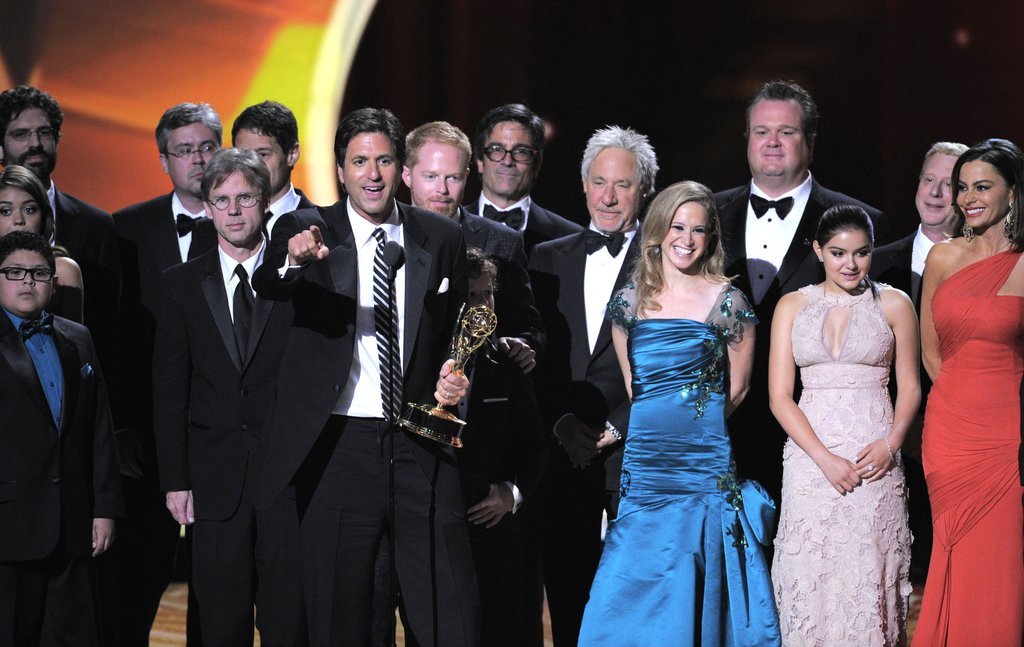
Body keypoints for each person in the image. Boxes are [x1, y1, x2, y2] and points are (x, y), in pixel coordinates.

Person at [251, 107, 477, 646]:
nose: (372, 174)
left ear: (402, 168)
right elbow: (270, 283)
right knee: (340, 615)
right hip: (338, 447)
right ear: (340, 170)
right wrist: (294, 262)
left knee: (449, 610)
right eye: (359, 162)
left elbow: (455, 334)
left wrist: (454, 378)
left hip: (420, 442)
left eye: (384, 161)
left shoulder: (440, 236)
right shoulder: (305, 229)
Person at [578, 180, 779, 646]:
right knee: (632, 574)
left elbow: (740, 388)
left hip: (702, 463)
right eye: (677, 227)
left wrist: (697, 432)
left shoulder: (728, 300)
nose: (686, 239)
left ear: (711, 238)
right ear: (658, 230)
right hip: (646, 465)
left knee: (695, 563)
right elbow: (636, 388)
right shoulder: (630, 301)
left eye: (698, 230)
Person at [715, 80, 888, 504]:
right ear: (747, 139)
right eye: (762, 131)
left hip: (823, 435)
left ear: (809, 141)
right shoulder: (706, 216)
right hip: (719, 422)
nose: (772, 142)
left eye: (786, 132)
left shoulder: (859, 222)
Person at [153, 148, 293, 646]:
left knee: (287, 623)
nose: (233, 211)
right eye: (222, 200)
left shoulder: (297, 277)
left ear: (265, 203)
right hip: (213, 480)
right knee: (219, 624)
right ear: (208, 208)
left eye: (245, 198)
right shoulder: (181, 283)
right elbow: (170, 388)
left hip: (287, 478)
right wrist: (175, 480)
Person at [527, 125, 656, 646]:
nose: (608, 197)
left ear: (645, 189)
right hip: (562, 456)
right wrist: (561, 423)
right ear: (583, 185)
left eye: (622, 185)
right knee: (568, 601)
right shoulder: (544, 257)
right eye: (599, 182)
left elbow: (673, 365)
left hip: (636, 455)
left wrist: (616, 427)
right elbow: (536, 357)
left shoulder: (666, 260)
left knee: (641, 604)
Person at [769, 205, 919, 645]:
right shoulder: (792, 305)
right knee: (810, 573)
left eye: (861, 253)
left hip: (874, 461)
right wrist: (824, 459)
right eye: (838, 253)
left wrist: (891, 444)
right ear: (818, 251)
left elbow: (911, 387)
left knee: (868, 574)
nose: (850, 264)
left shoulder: (895, 303)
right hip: (811, 463)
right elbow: (779, 397)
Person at [104, 101, 222, 646]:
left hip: (221, 435)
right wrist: (121, 426)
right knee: (134, 581)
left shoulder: (250, 222)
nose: (198, 160)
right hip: (146, 438)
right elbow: (113, 337)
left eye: (207, 147)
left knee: (217, 587)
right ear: (163, 160)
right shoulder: (126, 227)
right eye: (184, 150)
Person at [912, 138, 1024, 646]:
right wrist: (959, 406)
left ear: (1013, 191)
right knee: (952, 551)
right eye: (963, 187)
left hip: (1009, 434)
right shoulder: (943, 256)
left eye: (982, 186)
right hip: (951, 434)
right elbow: (931, 354)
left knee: (1000, 563)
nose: (967, 198)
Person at [0, 230, 123, 646]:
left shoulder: (77, 337)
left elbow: (99, 429)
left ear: (53, 283)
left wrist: (104, 508)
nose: (27, 280)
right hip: (9, 528)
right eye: (14, 272)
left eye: (38, 273)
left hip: (73, 524)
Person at [869, 141, 967, 583]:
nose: (935, 192)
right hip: (883, 436)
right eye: (929, 179)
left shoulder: (986, 266)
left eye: (949, 184)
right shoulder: (873, 263)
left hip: (958, 432)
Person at [456, 247, 547, 647]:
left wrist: (511, 493)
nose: (483, 305)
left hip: (493, 529)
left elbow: (534, 445)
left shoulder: (507, 361)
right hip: (434, 528)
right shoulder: (419, 360)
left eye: (488, 294)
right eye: (471, 295)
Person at [403, 120, 543, 367]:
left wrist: (520, 344)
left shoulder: (503, 241)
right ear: (407, 175)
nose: (442, 189)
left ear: (466, 176)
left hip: (476, 382)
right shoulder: (387, 235)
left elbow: (527, 325)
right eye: (431, 176)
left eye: (453, 178)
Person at [0, 86, 120, 344]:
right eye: (21, 134)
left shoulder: (96, 225)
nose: (35, 143)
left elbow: (106, 326)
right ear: (1, 147)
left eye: (44, 132)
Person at [466, 103, 581, 255]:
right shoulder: (451, 227)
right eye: (497, 150)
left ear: (536, 165)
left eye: (521, 151)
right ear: (480, 161)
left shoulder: (572, 238)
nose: (507, 161)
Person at [0, 164, 83, 321]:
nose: (19, 220)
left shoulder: (64, 271)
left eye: (29, 210)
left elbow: (74, 334)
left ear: (44, 215)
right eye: (5, 211)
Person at [231, 100, 317, 239]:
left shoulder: (323, 227)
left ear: (292, 154)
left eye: (262, 154)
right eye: (244, 156)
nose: (252, 165)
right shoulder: (216, 228)